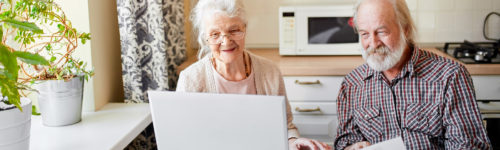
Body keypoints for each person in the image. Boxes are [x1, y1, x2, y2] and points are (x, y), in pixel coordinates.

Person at [334, 0, 492, 149]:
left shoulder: (450, 76)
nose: (373, 43)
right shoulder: (352, 84)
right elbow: (346, 139)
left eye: (381, 32)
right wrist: (352, 147)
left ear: (405, 29)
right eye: (364, 34)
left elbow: (468, 145)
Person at [176, 0, 331, 149]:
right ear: (205, 38)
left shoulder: (270, 72)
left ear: (245, 28)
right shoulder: (190, 79)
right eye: (215, 34)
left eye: (234, 30)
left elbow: (285, 125)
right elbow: (183, 138)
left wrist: (292, 141)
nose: (226, 41)